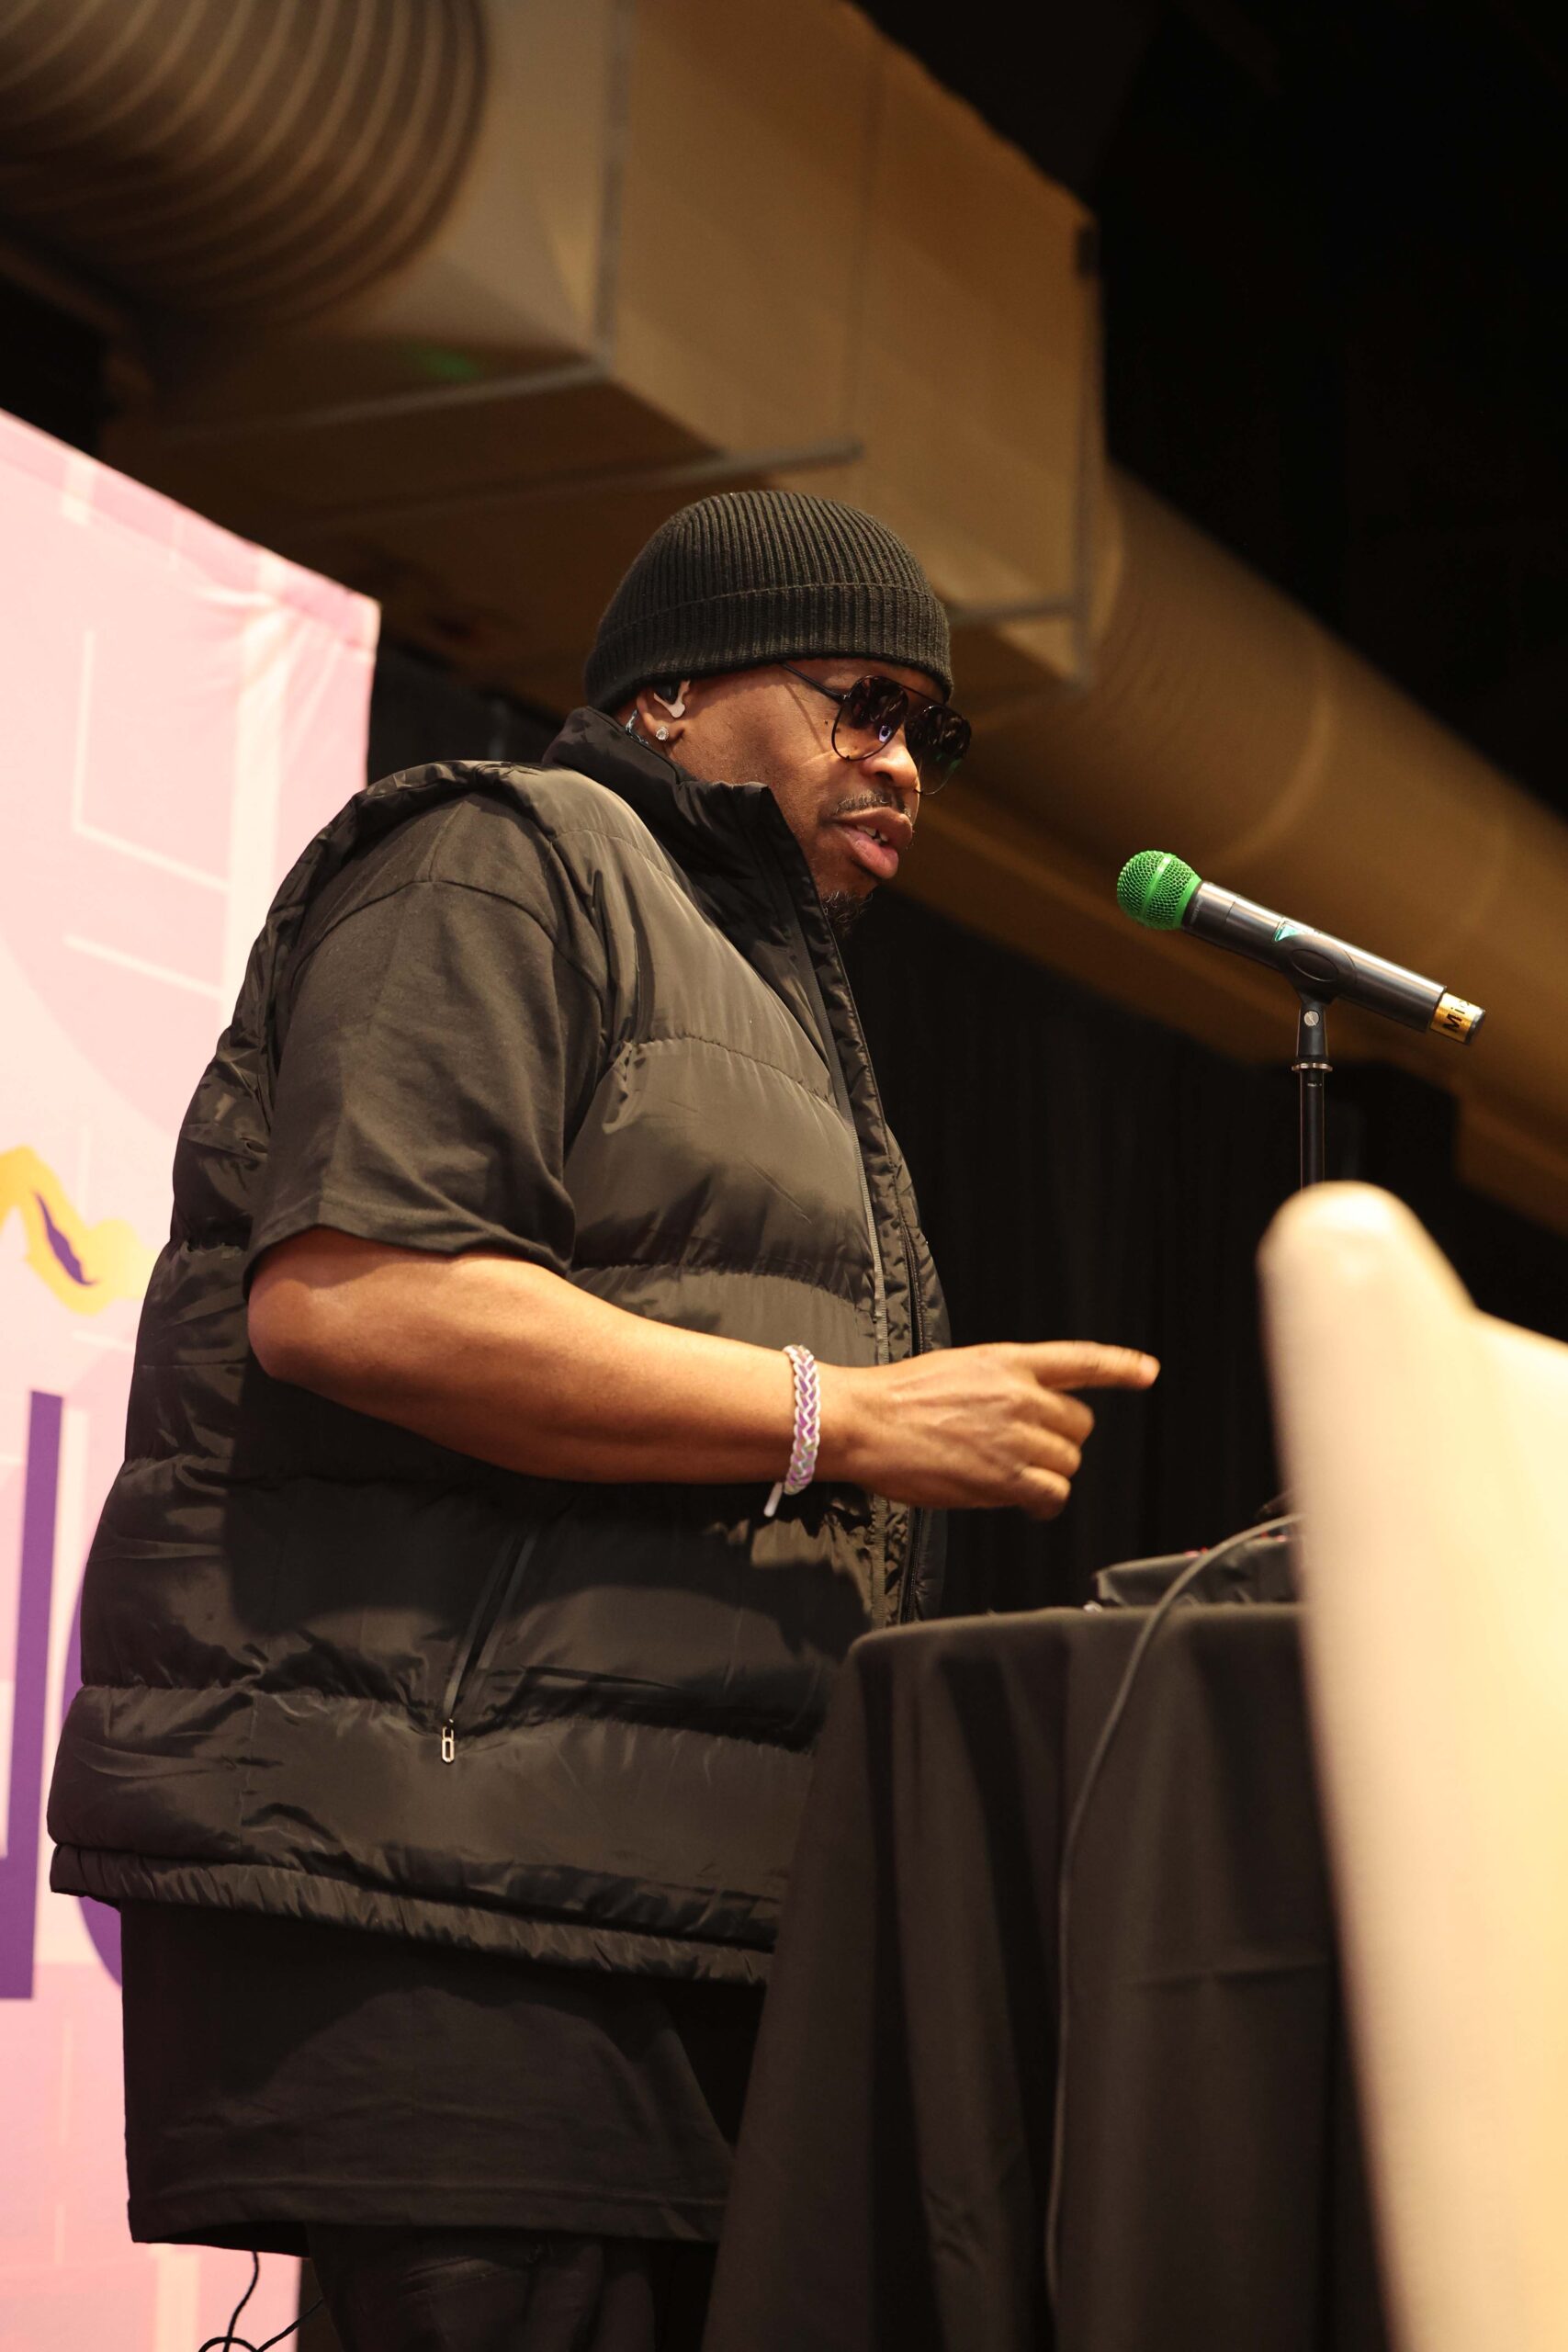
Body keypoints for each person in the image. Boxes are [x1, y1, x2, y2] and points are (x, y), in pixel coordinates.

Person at [49, 489, 1158, 2349]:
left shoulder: (775, 1004)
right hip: (453, 1907)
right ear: (669, 695)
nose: (901, 762)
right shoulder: (503, 856)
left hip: (669, 1914)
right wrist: (842, 1416)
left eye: (929, 730)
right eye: (860, 702)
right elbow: (357, 1295)